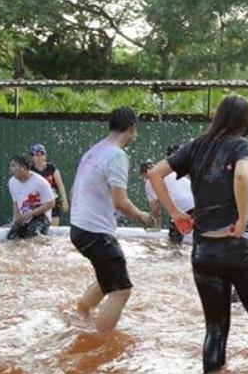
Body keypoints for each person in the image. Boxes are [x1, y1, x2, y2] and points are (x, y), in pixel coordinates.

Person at [148, 95, 248, 374]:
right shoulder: (244, 146)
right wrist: (243, 219)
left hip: (203, 252)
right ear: (245, 122)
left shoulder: (197, 146)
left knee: (215, 330)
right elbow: (241, 176)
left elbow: (155, 174)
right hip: (237, 248)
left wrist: (175, 213)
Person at [70, 108, 154, 334]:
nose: (134, 136)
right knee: (121, 290)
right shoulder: (117, 154)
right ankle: (101, 340)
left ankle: (81, 311)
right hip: (95, 232)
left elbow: (76, 189)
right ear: (131, 129)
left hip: (79, 228)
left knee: (107, 278)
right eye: (135, 132)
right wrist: (142, 216)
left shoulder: (93, 151)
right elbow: (120, 201)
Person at [142, 151, 195, 244]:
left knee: (174, 242)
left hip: (182, 210)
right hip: (198, 204)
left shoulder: (150, 180)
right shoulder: (170, 172)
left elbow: (156, 208)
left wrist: (152, 226)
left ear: (144, 173)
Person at [6, 155, 55, 239]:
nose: (11, 169)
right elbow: (15, 203)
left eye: (14, 166)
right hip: (24, 218)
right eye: (10, 166)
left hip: (42, 217)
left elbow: (52, 203)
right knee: (11, 238)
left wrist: (32, 213)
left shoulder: (40, 182)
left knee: (33, 236)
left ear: (23, 167)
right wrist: (15, 220)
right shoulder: (11, 182)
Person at [29, 144, 68, 226]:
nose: (39, 157)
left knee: (53, 229)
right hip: (39, 204)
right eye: (36, 155)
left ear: (45, 156)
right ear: (32, 157)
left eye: (41, 154)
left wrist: (64, 200)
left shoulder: (51, 168)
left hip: (53, 201)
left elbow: (60, 185)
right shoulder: (31, 171)